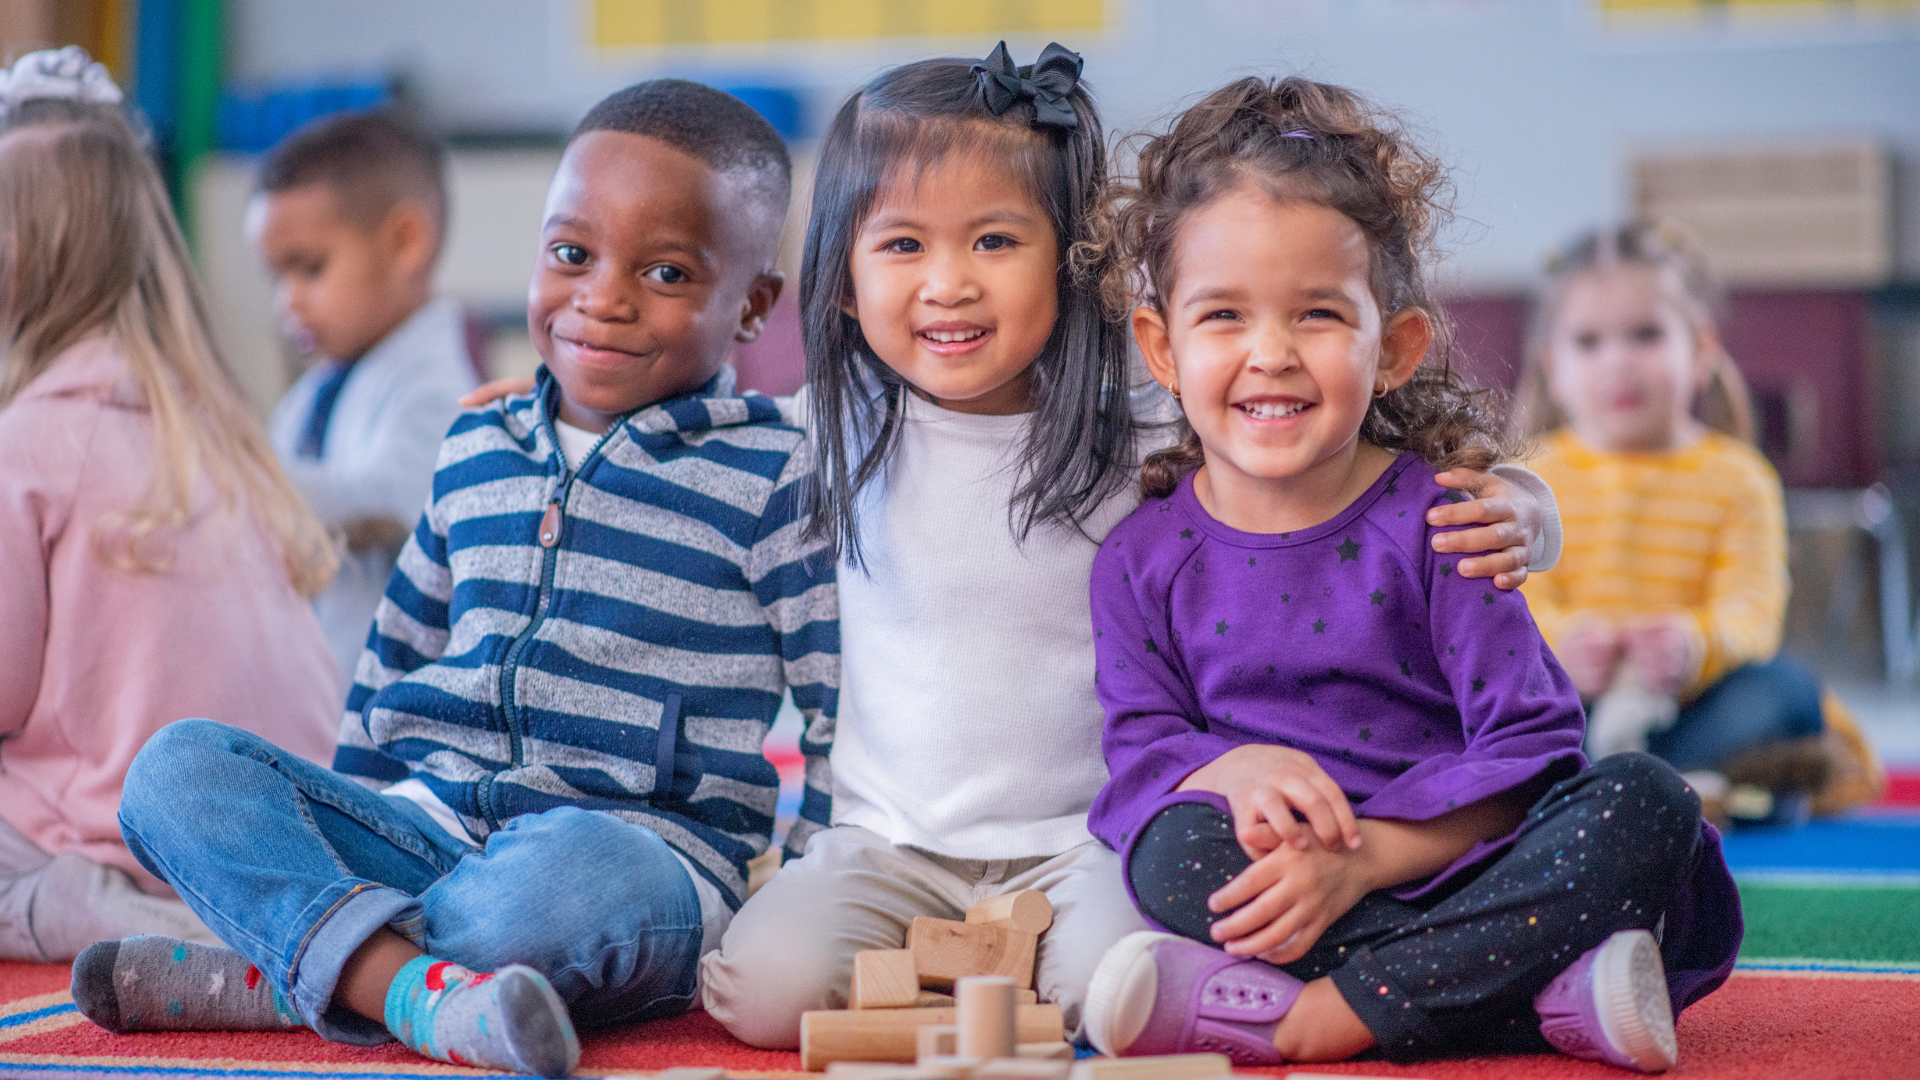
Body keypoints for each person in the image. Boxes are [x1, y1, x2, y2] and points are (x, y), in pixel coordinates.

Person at [695, 44, 1563, 1048]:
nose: (948, 285)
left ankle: (1040, 979)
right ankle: (953, 968)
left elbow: (1365, 452)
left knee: (1118, 997)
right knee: (760, 996)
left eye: (992, 241)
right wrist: (560, 410)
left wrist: (1522, 507)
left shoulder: (1149, 419)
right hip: (885, 844)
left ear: (1073, 264)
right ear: (843, 280)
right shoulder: (834, 428)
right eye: (901, 248)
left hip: (1095, 838)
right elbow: (686, 434)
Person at [71, 80, 835, 1079]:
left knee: (547, 895)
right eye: (572, 255)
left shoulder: (773, 472)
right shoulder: (477, 440)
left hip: (638, 854)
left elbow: (834, 699)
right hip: (430, 824)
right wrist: (350, 819)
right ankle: (404, 983)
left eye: (665, 273)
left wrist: (811, 878)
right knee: (174, 769)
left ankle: (286, 968)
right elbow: (397, 652)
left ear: (753, 307)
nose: (602, 298)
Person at [1076, 78, 1738, 1073]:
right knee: (1171, 856)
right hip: (1299, 887)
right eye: (1223, 316)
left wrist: (1372, 857)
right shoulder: (1138, 559)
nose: (1271, 354)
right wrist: (1226, 768)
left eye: (1316, 315)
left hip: (1473, 865)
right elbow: (1141, 754)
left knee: (1650, 804)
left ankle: (1316, 1017)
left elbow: (1536, 745)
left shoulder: (1447, 524)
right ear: (1162, 347)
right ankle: (1540, 996)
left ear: (1395, 347)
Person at [0, 47, 339, 961]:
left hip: (122, 848)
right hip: (287, 837)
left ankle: (87, 913)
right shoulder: (219, 431)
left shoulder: (28, 442)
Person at [1512, 220, 1881, 825]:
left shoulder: (1740, 478)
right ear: (1553, 364)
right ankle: (1677, 791)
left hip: (1691, 707)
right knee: (1488, 708)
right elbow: (1514, 605)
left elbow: (1753, 614)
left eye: (1646, 335)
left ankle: (1612, 788)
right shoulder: (1530, 475)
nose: (1619, 364)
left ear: (1701, 350)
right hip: (1570, 703)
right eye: (1589, 342)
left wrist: (1693, 646)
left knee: (1786, 694)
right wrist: (1559, 646)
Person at [255, 109, 479, 692]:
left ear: (406, 243)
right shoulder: (317, 389)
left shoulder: (437, 385)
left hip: (384, 716)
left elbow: (385, 503)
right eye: (277, 278)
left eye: (310, 269)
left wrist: (231, 467)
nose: (288, 302)